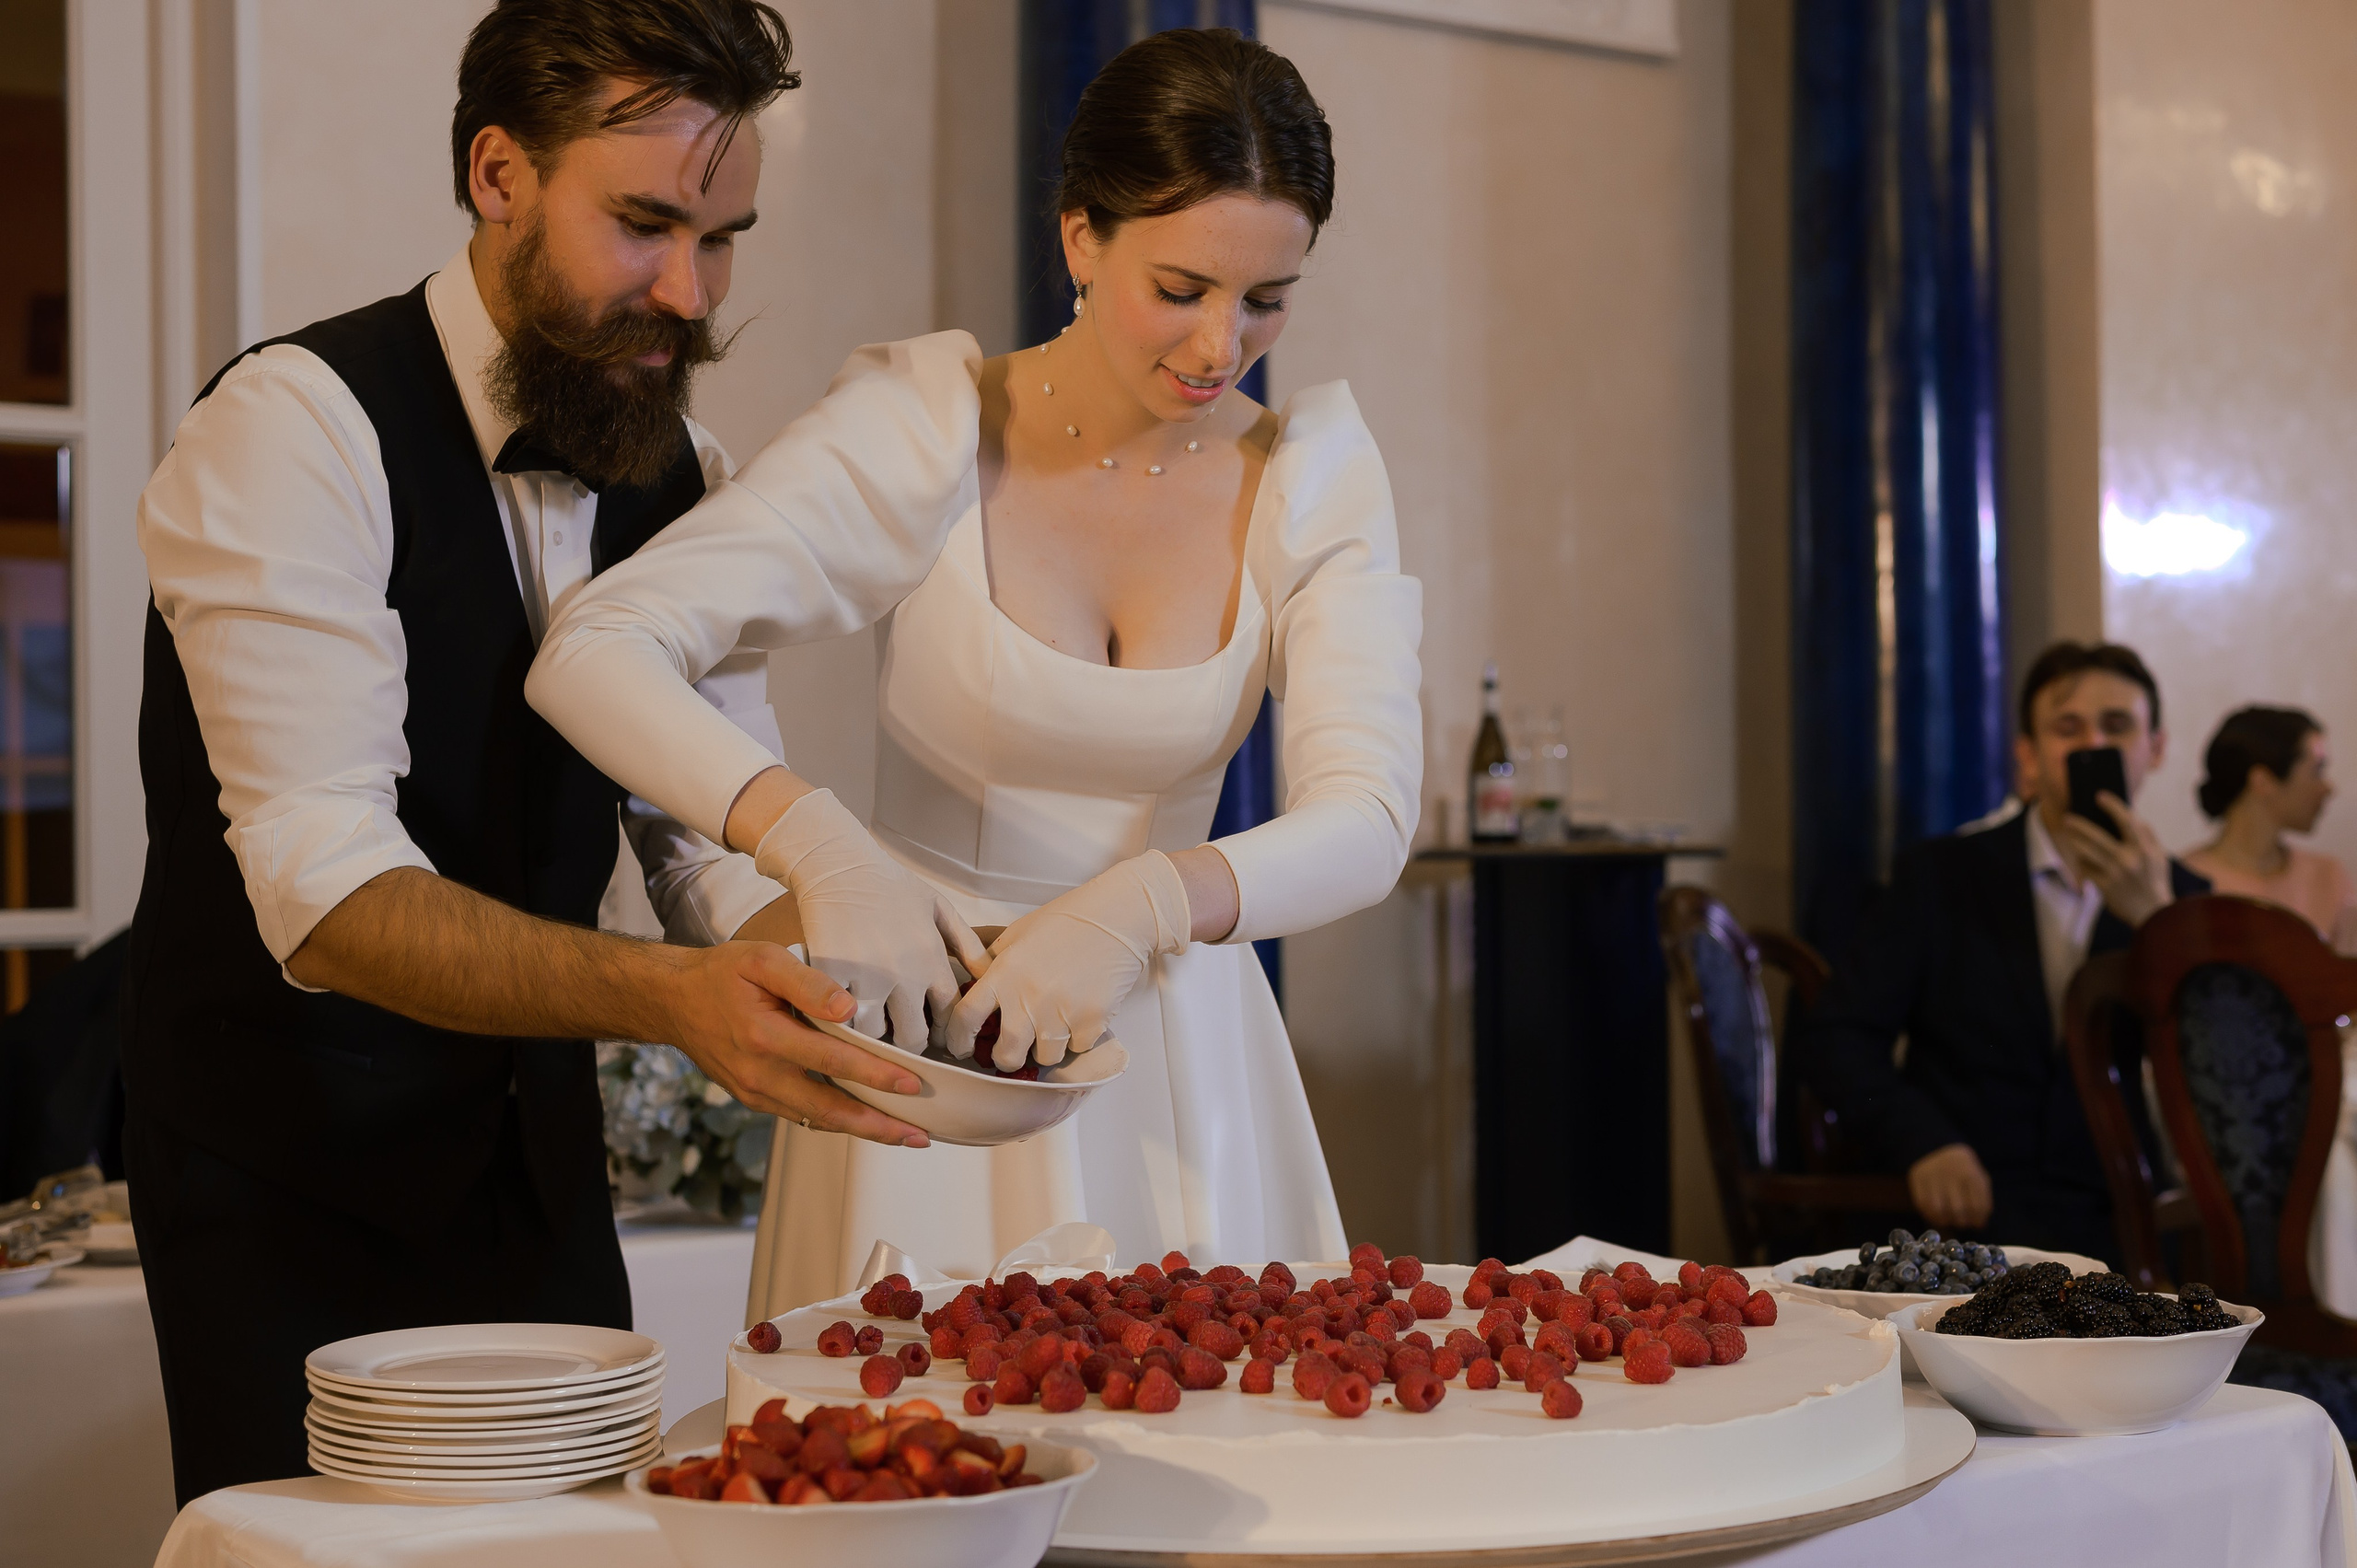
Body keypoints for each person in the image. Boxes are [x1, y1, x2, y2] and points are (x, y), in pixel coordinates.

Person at [124, 0, 955, 1503]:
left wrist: (893, 980)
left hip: (547, 1187)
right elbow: (333, 897)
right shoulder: (292, 429)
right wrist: (678, 1003)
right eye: (644, 225)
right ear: (498, 174)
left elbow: (707, 848)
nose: (690, 295)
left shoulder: (683, 470)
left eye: (724, 239)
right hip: (290, 1195)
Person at [528, 28, 1422, 1313]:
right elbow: (595, 652)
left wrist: (1141, 904)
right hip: (930, 1049)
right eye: (1181, 287)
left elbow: (1369, 816)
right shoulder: (927, 427)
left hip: (1184, 1061)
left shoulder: (1313, 475)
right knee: (904, 1465)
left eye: (1268, 296)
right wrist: (820, 847)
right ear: (1079, 239)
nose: (1224, 344)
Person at [1796, 642, 2211, 1261]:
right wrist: (1922, 1141)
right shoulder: (1939, 875)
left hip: (2119, 1216)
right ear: (2029, 758)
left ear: (2156, 748)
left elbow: (2215, 1073)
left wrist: (2155, 920)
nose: (2092, 743)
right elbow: (1837, 1036)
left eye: (2118, 726)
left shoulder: (2184, 898)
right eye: (2067, 727)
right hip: (1960, 1210)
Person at [2183, 706, 2357, 952]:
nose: (2328, 788)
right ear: (2262, 781)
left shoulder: (2330, 878)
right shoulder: (2186, 885)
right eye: (2317, 771)